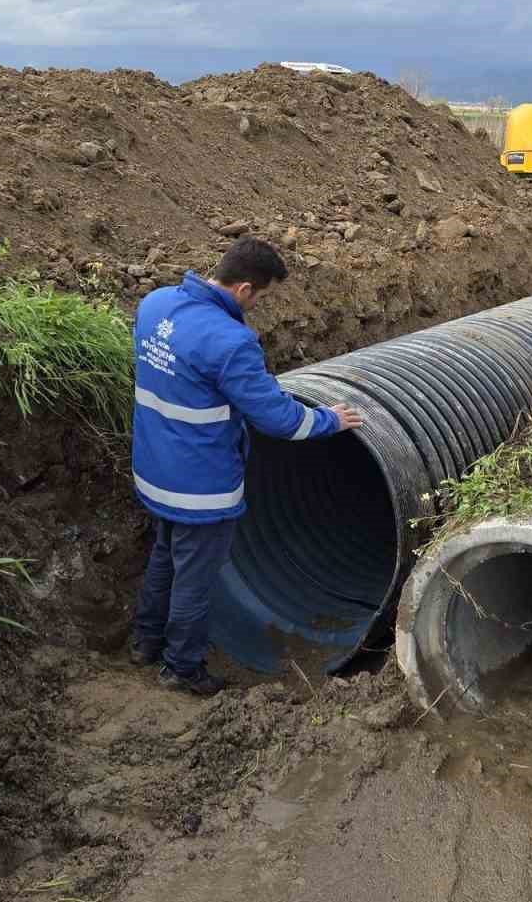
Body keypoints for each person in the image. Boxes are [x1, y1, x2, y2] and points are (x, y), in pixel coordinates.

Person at [128, 237, 363, 695]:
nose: (258, 305)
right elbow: (278, 419)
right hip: (201, 484)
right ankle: (181, 667)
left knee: (165, 556)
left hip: (155, 468)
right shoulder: (230, 341)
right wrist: (329, 419)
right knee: (195, 579)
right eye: (261, 295)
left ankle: (145, 641)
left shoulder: (155, 304)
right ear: (243, 288)